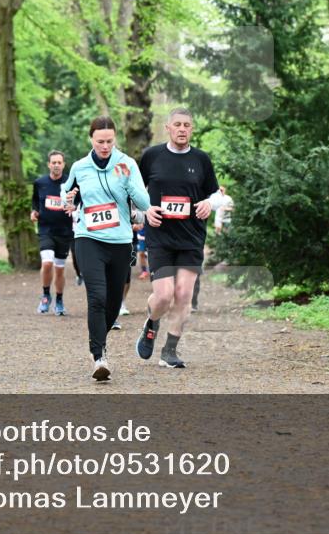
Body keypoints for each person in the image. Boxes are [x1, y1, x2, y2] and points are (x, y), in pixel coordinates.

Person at [62, 116, 150, 381]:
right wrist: (69, 201)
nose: (105, 146)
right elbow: (67, 195)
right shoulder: (79, 167)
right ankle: (98, 355)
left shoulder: (127, 163)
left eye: (109, 141)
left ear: (115, 139)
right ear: (91, 139)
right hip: (88, 238)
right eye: (100, 141)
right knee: (96, 297)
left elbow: (144, 202)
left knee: (113, 302)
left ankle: (100, 339)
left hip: (120, 241)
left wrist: (129, 181)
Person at [136, 107, 224, 369]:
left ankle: (170, 351)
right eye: (178, 125)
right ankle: (151, 323)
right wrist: (143, 212)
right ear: (168, 128)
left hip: (191, 237)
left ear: (192, 129)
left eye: (187, 125)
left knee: (184, 295)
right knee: (163, 296)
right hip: (160, 236)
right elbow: (136, 192)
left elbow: (217, 194)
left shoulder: (201, 160)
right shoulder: (152, 156)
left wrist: (210, 203)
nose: (182, 129)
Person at [30, 150, 73, 316]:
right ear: (48, 164)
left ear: (63, 164)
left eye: (59, 162)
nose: (56, 165)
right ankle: (46, 295)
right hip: (45, 230)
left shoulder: (70, 182)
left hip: (64, 231)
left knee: (60, 269)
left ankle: (60, 300)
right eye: (53, 162)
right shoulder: (40, 182)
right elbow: (35, 201)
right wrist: (34, 212)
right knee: (47, 263)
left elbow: (78, 201)